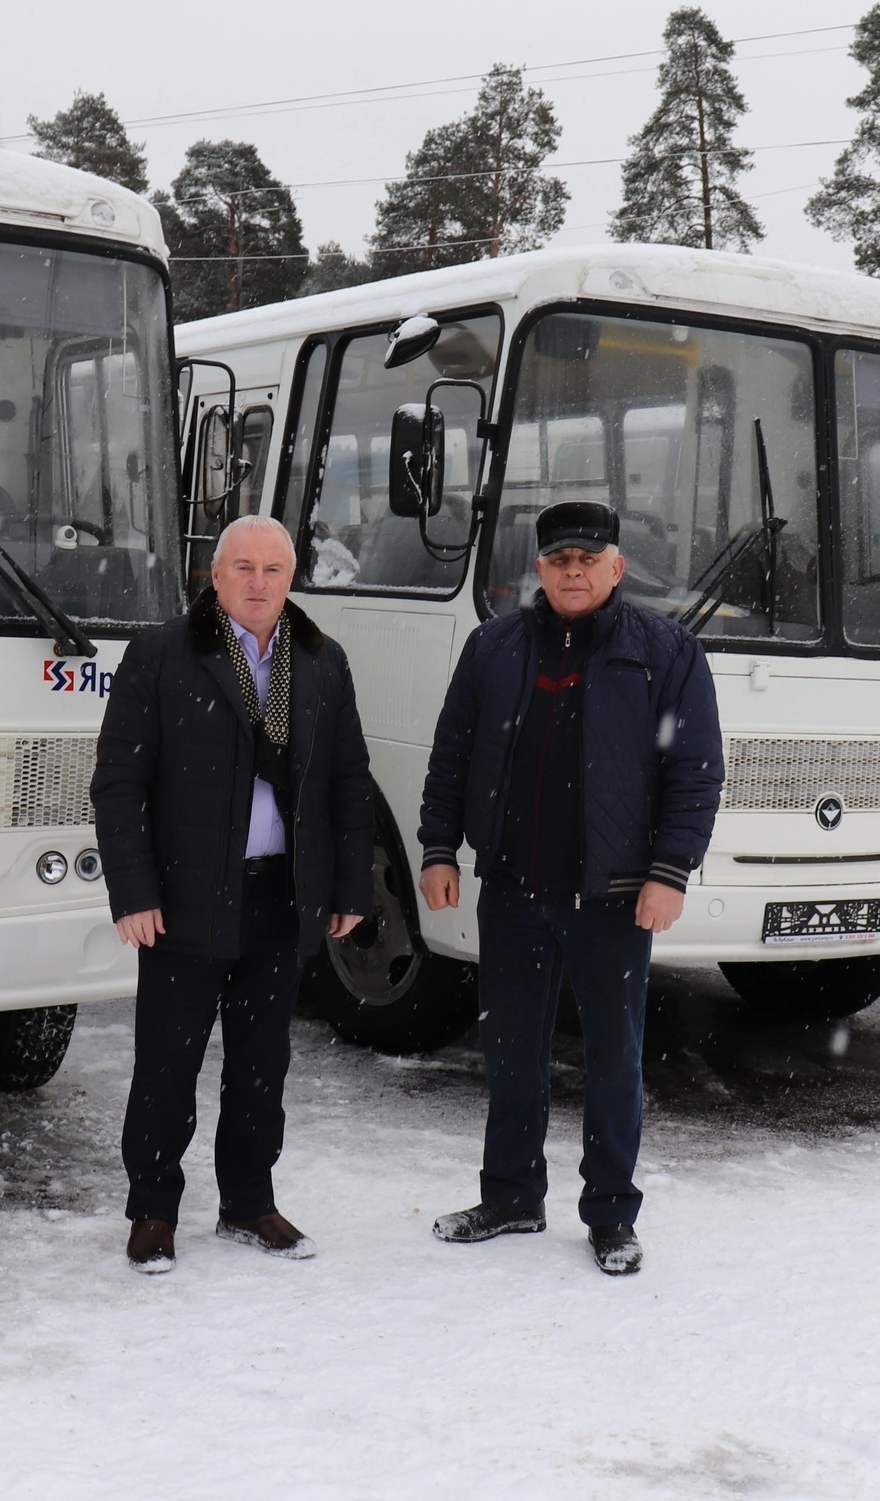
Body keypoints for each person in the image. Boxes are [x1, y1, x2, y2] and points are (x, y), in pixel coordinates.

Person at [415, 499, 722, 1275]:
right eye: (560, 559)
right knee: (511, 1050)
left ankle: (612, 1215)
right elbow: (452, 752)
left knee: (615, 1060)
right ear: (539, 570)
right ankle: (512, 1194)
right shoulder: (493, 648)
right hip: (514, 889)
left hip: (615, 898)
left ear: (617, 567)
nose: (574, 570)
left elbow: (695, 770)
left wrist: (668, 872)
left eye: (589, 558)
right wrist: (439, 848)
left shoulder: (665, 651)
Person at [91, 515, 375, 1275]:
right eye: (241, 568)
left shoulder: (320, 660)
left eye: (273, 570)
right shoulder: (161, 654)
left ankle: (248, 1200)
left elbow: (349, 781)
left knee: (261, 1066)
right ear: (214, 578)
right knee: (166, 1065)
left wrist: (349, 884)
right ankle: (153, 1208)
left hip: (278, 897)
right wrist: (132, 890)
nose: (257, 583)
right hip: (182, 900)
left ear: (291, 580)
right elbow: (120, 784)